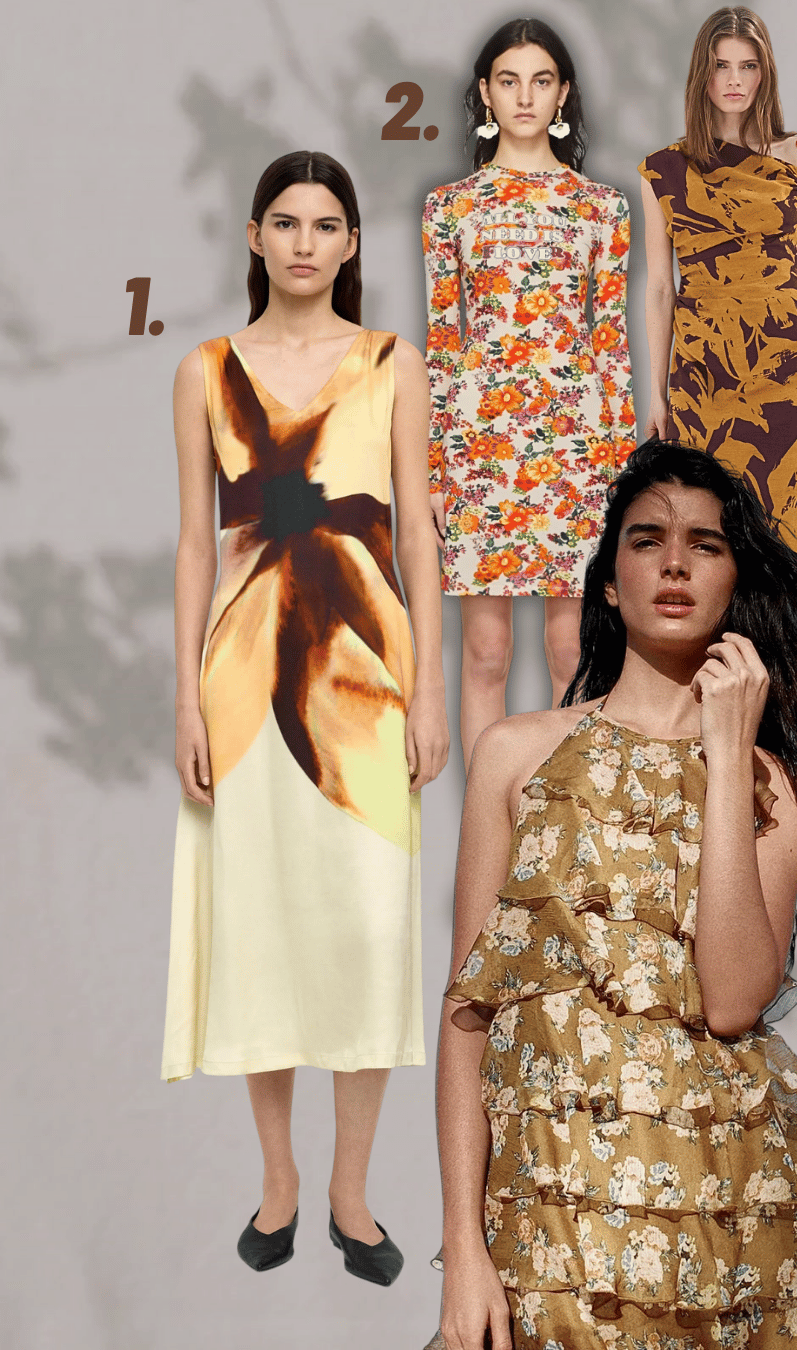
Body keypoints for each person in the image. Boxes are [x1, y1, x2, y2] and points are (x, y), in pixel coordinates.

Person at [428, 441, 797, 1348]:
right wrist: (464, 1253)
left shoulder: (773, 783)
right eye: (646, 540)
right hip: (543, 1225)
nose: (675, 562)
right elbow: (468, 1013)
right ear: (606, 582)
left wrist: (724, 749)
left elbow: (735, 998)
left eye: (706, 544)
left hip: (716, 1222)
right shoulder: (514, 754)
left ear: (734, 581)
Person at [161, 150, 448, 1283]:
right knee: (262, 926)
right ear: (252, 236)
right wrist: (182, 690)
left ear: (352, 245)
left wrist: (429, 687)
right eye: (284, 221)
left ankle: (352, 1189)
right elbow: (195, 542)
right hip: (239, 682)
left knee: (367, 926)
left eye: (326, 224)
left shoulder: (392, 364)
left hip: (366, 674)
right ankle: (280, 1179)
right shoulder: (201, 370)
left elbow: (420, 534)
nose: (304, 243)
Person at [423, 17, 635, 768]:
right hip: (482, 449)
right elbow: (444, 346)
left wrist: (622, 469)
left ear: (564, 93)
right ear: (484, 92)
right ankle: (491, 817)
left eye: (541, 80)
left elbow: (609, 343)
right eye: (509, 81)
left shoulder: (602, 208)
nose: (525, 96)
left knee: (570, 643)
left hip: (577, 451)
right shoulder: (451, 207)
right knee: (483, 651)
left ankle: (558, 814)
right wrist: (436, 470)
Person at [640, 6, 797, 565]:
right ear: (701, 75)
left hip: (783, 360)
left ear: (765, 73)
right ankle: (710, 653)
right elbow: (661, 289)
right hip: (701, 363)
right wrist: (656, 393)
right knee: (704, 521)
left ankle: (776, 654)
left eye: (747, 66)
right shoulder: (662, 169)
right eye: (721, 65)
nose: (734, 80)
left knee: (783, 515)